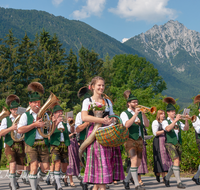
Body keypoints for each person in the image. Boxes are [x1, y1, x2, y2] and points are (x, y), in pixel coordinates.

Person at [81, 76, 124, 190]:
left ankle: (98, 187)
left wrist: (113, 120)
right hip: (94, 133)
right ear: (93, 87)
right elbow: (84, 117)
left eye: (103, 85)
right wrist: (101, 120)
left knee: (105, 161)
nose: (101, 87)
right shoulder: (87, 101)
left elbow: (112, 116)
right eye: (99, 85)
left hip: (107, 133)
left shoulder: (108, 101)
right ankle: (102, 188)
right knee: (100, 162)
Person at [18, 82, 50, 190]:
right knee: (34, 166)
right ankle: (34, 188)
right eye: (35, 102)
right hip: (31, 143)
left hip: (43, 142)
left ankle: (35, 181)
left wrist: (50, 123)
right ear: (30, 103)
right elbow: (20, 130)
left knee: (45, 168)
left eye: (39, 102)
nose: (37, 105)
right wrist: (35, 125)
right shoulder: (25, 115)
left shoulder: (45, 114)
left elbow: (49, 129)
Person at [120, 90, 149, 190]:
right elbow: (127, 124)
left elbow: (147, 124)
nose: (136, 104)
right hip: (129, 139)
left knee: (137, 163)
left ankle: (126, 180)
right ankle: (137, 185)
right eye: (134, 102)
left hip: (140, 140)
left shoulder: (140, 113)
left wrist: (143, 114)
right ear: (129, 103)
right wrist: (135, 115)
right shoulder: (124, 113)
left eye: (136, 102)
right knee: (134, 161)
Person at [162, 97, 189, 189]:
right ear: (168, 113)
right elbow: (168, 129)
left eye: (174, 111)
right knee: (176, 160)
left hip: (178, 143)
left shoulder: (178, 122)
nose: (174, 112)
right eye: (172, 111)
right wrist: (176, 120)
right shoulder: (165, 121)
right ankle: (179, 182)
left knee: (176, 163)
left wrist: (186, 120)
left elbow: (186, 129)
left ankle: (167, 178)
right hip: (169, 143)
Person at [0, 95, 25, 190]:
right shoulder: (5, 119)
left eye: (17, 109)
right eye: (14, 109)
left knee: (21, 169)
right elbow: (1, 133)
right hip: (9, 144)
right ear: (10, 110)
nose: (16, 111)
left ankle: (13, 182)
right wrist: (11, 128)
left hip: (20, 143)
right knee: (12, 164)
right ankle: (13, 187)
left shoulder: (22, 118)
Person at [50, 104, 70, 190]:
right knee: (57, 163)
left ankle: (57, 178)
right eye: (58, 112)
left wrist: (71, 124)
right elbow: (50, 133)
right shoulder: (50, 122)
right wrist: (56, 122)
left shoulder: (65, 122)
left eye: (61, 112)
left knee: (65, 166)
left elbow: (72, 131)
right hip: (55, 144)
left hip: (64, 144)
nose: (60, 113)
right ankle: (58, 185)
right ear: (54, 114)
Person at [152, 110, 172, 183]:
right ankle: (161, 176)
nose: (163, 115)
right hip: (158, 141)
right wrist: (165, 130)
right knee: (161, 159)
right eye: (161, 114)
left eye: (164, 114)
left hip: (166, 141)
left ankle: (165, 176)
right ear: (158, 115)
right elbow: (155, 133)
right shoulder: (155, 122)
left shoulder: (166, 122)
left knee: (167, 158)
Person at [191, 95, 200, 185]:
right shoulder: (195, 119)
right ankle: (196, 177)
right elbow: (198, 130)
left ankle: (196, 177)